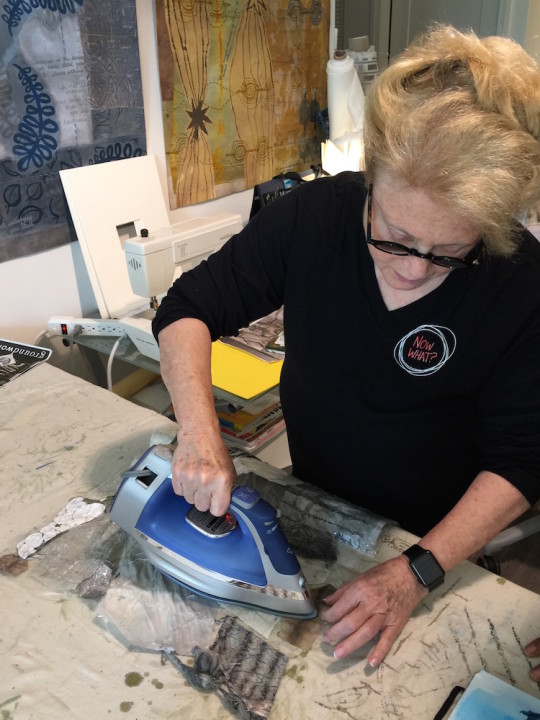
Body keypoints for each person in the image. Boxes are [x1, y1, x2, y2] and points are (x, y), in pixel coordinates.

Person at [153, 25, 540, 669]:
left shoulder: (522, 282)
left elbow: (525, 460)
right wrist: (197, 431)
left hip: (437, 537)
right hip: (313, 498)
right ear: (369, 178)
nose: (413, 272)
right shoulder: (313, 217)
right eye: (393, 236)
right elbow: (188, 309)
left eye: (449, 254)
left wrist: (416, 571)